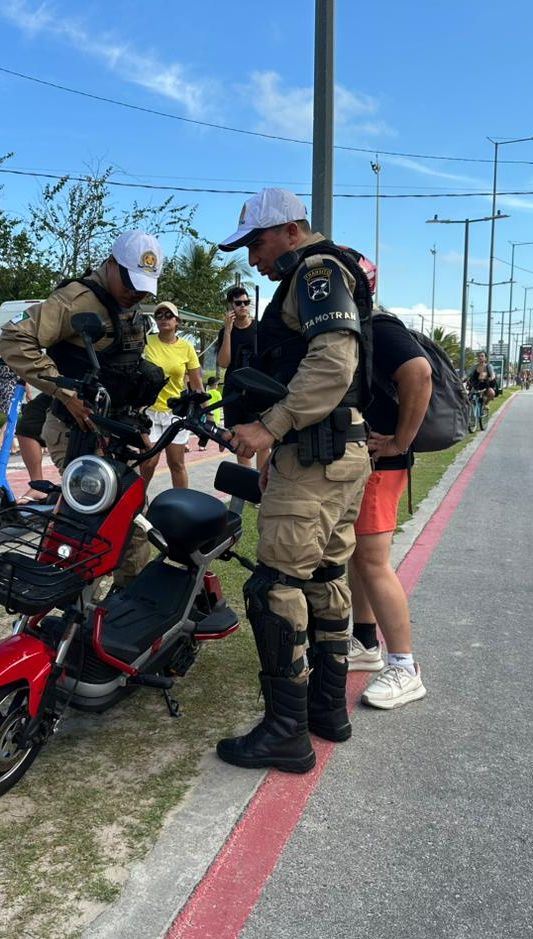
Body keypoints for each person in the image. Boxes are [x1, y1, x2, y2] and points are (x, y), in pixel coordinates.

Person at [213, 187, 373, 774]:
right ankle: (327, 713)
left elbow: (333, 363)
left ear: (289, 228)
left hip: (311, 459)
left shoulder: (316, 271)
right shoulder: (332, 270)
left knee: (275, 589)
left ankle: (286, 733)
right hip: (341, 455)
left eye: (256, 243)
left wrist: (269, 427)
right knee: (325, 579)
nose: (253, 260)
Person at [0, 230, 166, 586]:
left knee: (130, 520)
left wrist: (139, 429)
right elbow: (13, 339)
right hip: (77, 433)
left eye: (145, 286)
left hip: (116, 429)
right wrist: (63, 391)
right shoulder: (77, 300)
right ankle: (76, 612)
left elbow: (125, 372)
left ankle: (126, 607)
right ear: (112, 265)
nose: (137, 292)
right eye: (131, 282)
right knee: (93, 526)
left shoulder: (126, 305)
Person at [342, 261, 433, 711]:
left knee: (374, 562)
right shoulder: (354, 325)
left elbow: (419, 374)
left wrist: (399, 439)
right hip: (368, 459)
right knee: (360, 557)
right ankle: (365, 643)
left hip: (383, 459)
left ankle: (405, 666)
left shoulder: (377, 325)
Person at [140, 301, 202, 489]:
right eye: (159, 315)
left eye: (169, 315)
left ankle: (183, 505)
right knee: (148, 463)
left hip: (175, 413)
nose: (163, 319)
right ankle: (137, 505)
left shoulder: (187, 348)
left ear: (177, 321)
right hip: (149, 412)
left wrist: (207, 414)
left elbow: (197, 384)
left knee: (176, 463)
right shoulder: (146, 342)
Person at [215, 285, 263, 468]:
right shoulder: (225, 331)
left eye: (246, 302)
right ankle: (249, 481)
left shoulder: (260, 328)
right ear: (230, 306)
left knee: (261, 438)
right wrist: (227, 331)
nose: (243, 306)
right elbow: (224, 363)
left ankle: (262, 484)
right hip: (234, 391)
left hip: (257, 391)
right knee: (239, 441)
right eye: (238, 303)